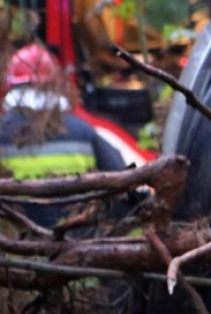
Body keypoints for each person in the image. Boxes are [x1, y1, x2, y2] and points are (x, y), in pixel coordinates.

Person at [0, 43, 125, 226]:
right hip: (78, 240)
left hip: (14, 242)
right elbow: (123, 179)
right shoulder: (83, 131)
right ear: (56, 85)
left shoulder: (2, 131)